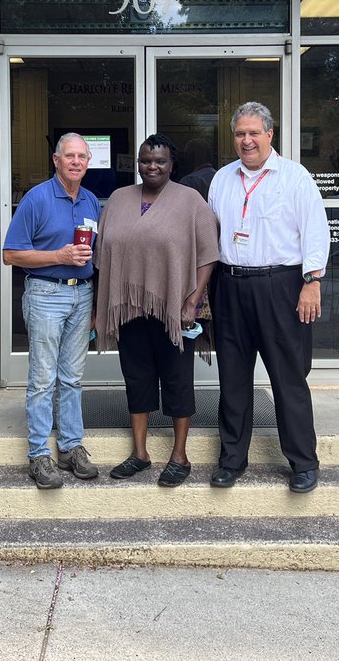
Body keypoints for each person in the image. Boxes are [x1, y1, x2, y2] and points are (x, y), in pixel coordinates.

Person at [207, 102, 330, 494]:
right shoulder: (222, 180)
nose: (247, 140)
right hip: (230, 286)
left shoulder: (294, 177)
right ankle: (232, 460)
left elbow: (315, 231)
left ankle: (303, 463)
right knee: (232, 378)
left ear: (270, 134)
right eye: (240, 134)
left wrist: (312, 282)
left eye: (254, 133)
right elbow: (212, 235)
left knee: (288, 377)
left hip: (282, 286)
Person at [94, 134, 219, 487]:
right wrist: (99, 306)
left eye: (160, 161)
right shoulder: (119, 199)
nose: (152, 166)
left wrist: (192, 301)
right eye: (146, 160)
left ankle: (179, 456)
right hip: (129, 307)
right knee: (136, 377)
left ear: (172, 164)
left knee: (177, 378)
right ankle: (140, 453)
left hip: (174, 308)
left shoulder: (190, 200)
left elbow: (209, 254)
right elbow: (103, 255)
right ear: (138, 163)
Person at [2, 133, 101, 489]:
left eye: (81, 157)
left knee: (72, 378)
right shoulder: (37, 198)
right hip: (46, 293)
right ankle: (39, 454)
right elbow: (10, 255)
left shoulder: (91, 201)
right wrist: (58, 256)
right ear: (56, 160)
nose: (76, 162)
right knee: (43, 379)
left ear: (88, 162)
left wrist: (96, 303)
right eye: (69, 156)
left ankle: (71, 447)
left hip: (82, 294)